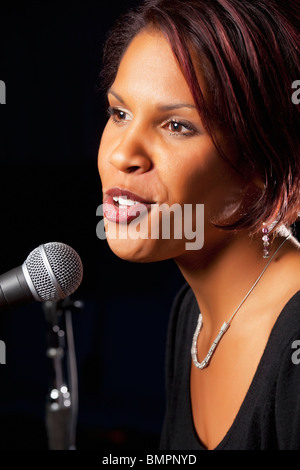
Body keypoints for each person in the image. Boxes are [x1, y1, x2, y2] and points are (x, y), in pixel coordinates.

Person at [97, 0, 300, 450]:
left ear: (260, 165)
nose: (121, 155)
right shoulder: (191, 314)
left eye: (176, 125)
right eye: (119, 114)